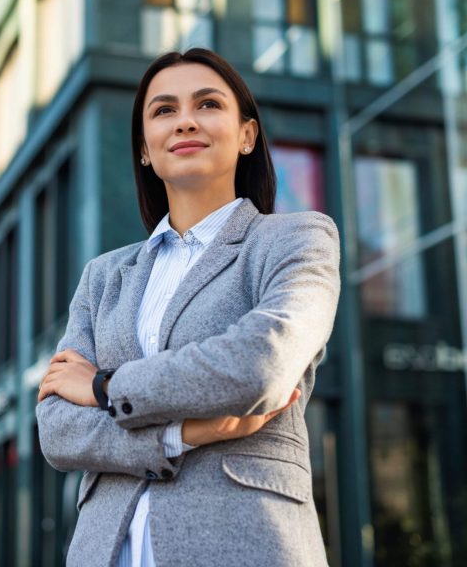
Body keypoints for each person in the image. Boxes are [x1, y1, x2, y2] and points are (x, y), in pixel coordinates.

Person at [36, 47, 339, 567]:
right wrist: (181, 434)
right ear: (144, 151)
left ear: (247, 135)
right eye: (164, 110)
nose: (186, 122)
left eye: (208, 104)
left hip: (246, 545)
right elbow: (58, 431)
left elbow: (259, 366)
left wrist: (105, 387)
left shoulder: (296, 239)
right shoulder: (103, 276)